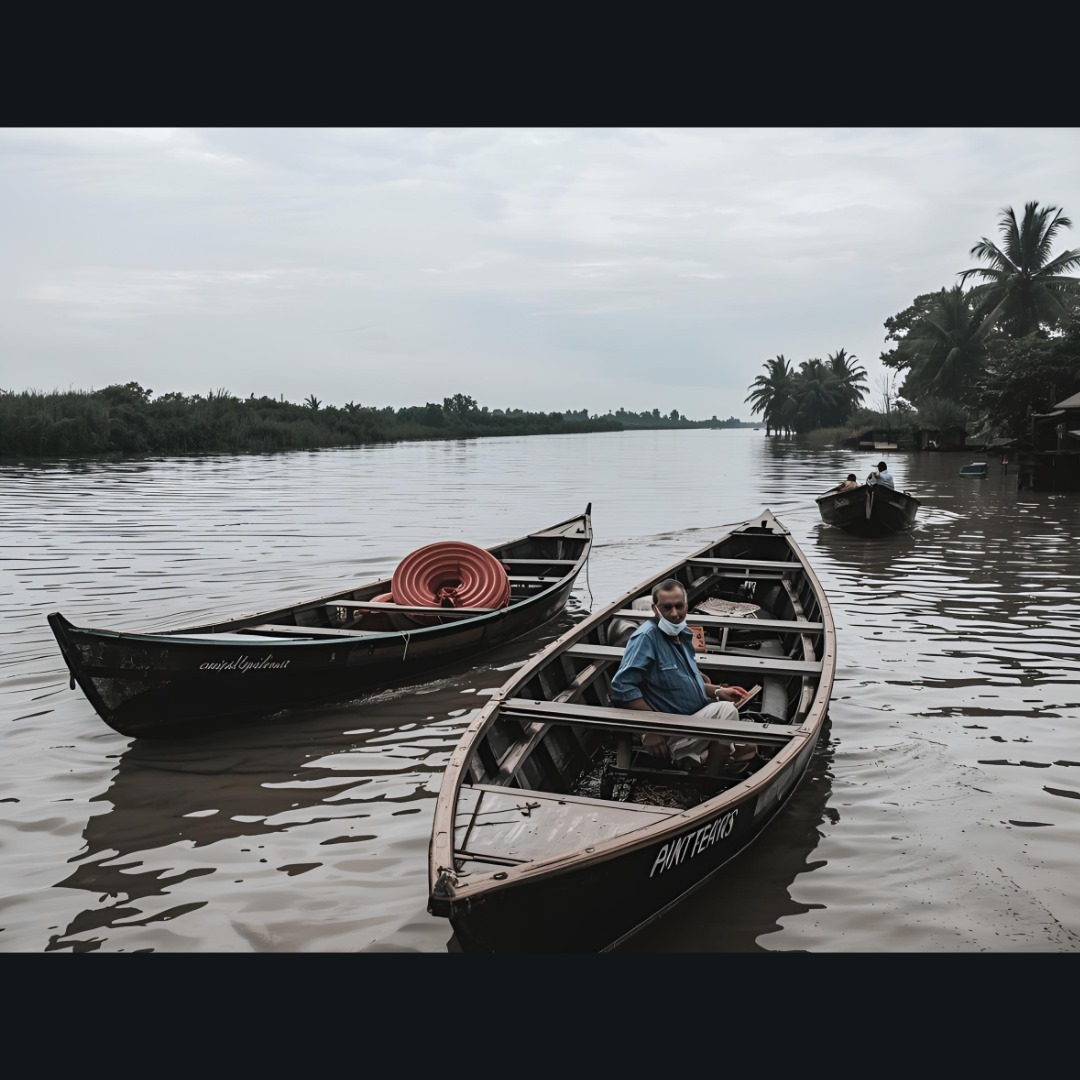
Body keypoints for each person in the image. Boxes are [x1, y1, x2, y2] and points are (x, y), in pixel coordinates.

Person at [609, 578, 757, 775]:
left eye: (679, 606)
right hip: (672, 728)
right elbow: (621, 687)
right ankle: (705, 782)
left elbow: (685, 680)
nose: (674, 614)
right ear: (655, 609)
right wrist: (650, 729)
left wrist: (719, 691)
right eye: (667, 608)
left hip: (692, 718)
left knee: (748, 745)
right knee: (727, 712)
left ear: (687, 606)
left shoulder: (683, 634)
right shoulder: (646, 638)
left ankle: (698, 757)